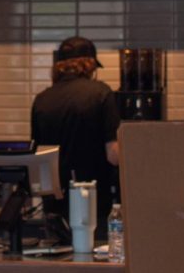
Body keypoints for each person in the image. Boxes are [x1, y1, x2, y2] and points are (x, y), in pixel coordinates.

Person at [30, 35, 121, 236]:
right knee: (92, 260)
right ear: (89, 66)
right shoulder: (101, 94)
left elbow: (37, 158)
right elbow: (113, 154)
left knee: (58, 262)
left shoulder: (42, 99)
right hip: (93, 203)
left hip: (54, 206)